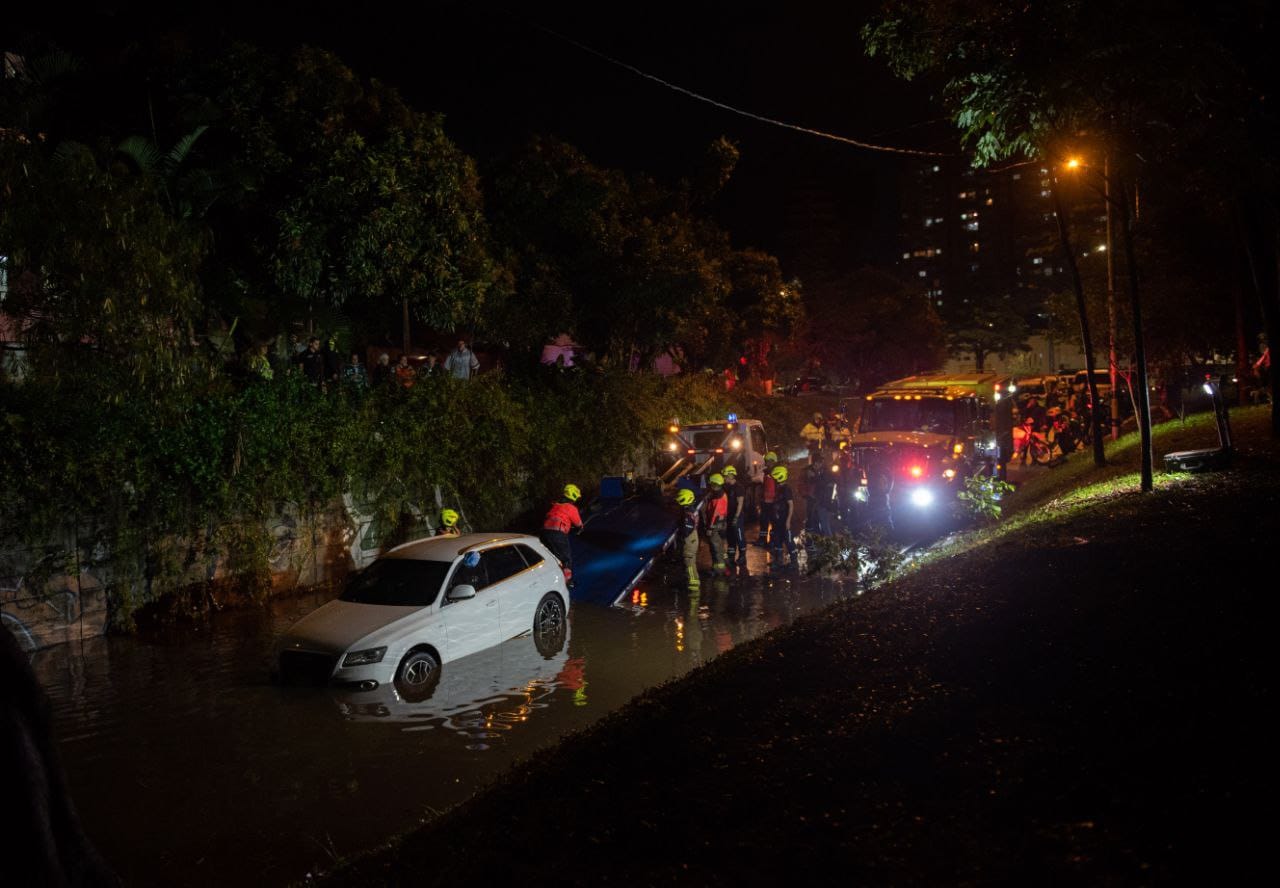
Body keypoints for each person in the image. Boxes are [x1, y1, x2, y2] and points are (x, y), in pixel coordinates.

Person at [541, 483, 584, 588]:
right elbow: (579, 524)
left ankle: (548, 579)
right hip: (558, 534)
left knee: (551, 556)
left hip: (544, 533)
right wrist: (579, 529)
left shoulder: (556, 505)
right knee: (566, 558)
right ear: (573, 496)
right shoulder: (571, 508)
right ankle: (567, 582)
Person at [768, 465, 798, 567]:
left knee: (789, 541)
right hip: (777, 521)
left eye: (775, 477)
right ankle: (778, 561)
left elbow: (791, 505)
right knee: (777, 541)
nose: (774, 480)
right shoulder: (779, 488)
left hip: (784, 519)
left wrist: (788, 520)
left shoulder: (786, 489)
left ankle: (794, 562)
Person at [700, 473, 729, 574]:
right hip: (721, 524)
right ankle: (719, 564)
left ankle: (719, 568)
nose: (710, 486)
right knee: (719, 545)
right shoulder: (721, 494)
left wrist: (710, 528)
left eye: (711, 484)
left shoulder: (718, 498)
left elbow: (715, 516)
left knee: (715, 547)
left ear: (715, 484)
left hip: (715, 525)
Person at [675, 487, 700, 591]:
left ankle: (693, 584)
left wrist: (680, 538)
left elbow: (686, 530)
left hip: (689, 539)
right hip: (694, 537)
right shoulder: (692, 509)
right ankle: (693, 580)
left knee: (689, 561)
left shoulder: (687, 515)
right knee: (691, 561)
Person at [722, 466, 747, 567]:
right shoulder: (728, 487)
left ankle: (742, 556)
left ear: (731, 475)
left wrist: (736, 517)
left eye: (725, 476)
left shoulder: (739, 487)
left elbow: (740, 503)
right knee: (730, 536)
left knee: (739, 536)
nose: (724, 478)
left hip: (737, 516)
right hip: (729, 515)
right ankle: (731, 556)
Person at [754, 451, 779, 546]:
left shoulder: (776, 472)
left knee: (774, 522)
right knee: (763, 521)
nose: (766, 463)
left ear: (772, 461)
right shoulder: (766, 472)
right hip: (765, 502)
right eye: (766, 461)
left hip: (773, 502)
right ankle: (762, 540)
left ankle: (772, 541)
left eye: (768, 461)